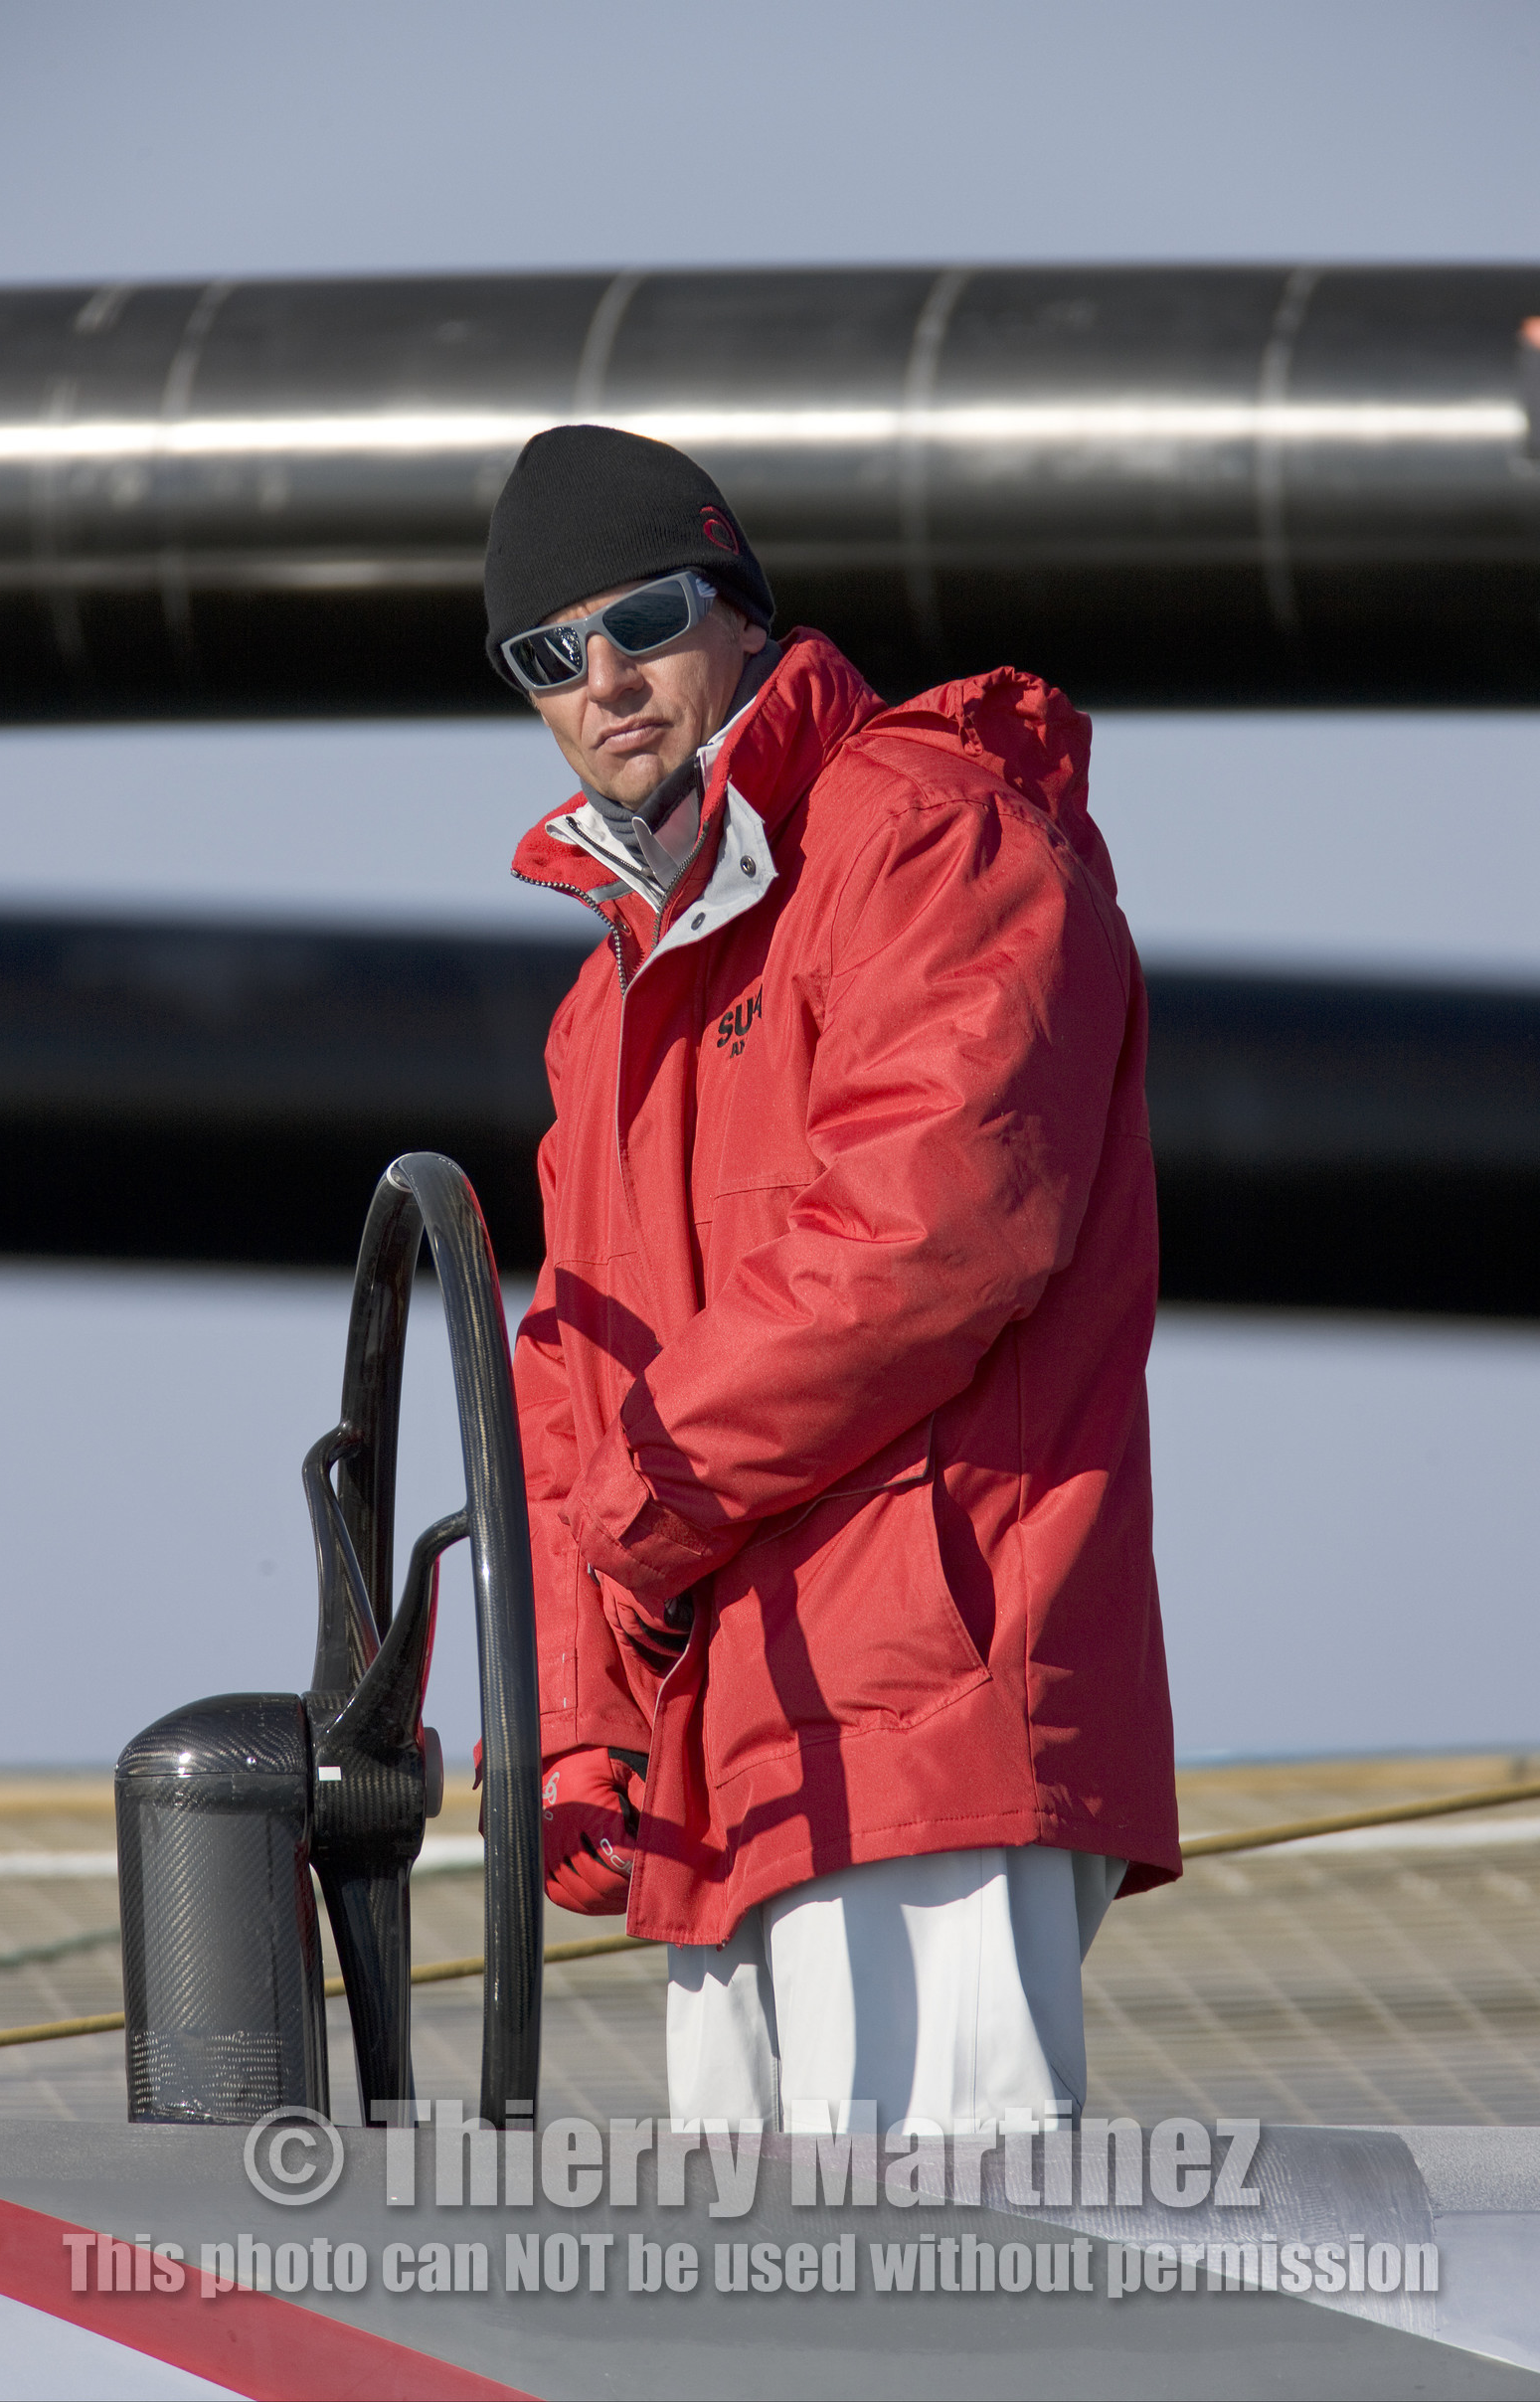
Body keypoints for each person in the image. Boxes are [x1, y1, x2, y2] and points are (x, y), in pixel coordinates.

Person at [482, 423, 1179, 2135]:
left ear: (737, 607)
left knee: (947, 2309)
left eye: (642, 618)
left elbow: (932, 1231)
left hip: (928, 1717)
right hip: (734, 1759)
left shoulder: (925, 835)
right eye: (548, 657)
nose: (606, 680)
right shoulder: (609, 1003)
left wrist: (638, 1520)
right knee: (764, 2330)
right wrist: (580, 1725)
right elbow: (571, 1361)